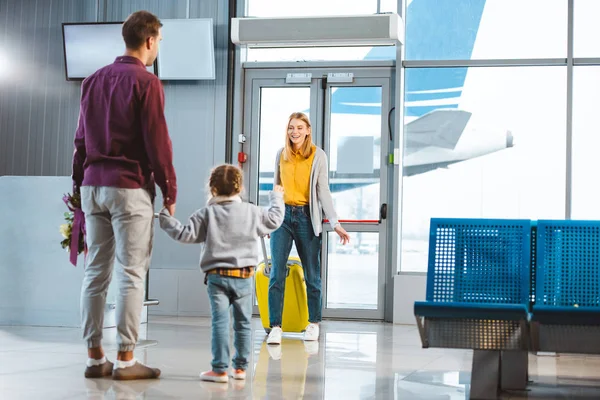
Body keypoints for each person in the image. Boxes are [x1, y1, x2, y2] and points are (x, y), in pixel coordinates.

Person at [72, 10, 176, 380]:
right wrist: (169, 188)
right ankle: (127, 360)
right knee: (131, 274)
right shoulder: (147, 83)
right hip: (129, 187)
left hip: (92, 185)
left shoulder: (92, 81)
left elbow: (80, 141)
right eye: (159, 40)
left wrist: (77, 188)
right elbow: (157, 143)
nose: (158, 47)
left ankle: (94, 356)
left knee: (95, 272)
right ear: (149, 40)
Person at [159, 164, 285, 383]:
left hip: (217, 277)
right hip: (244, 276)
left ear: (212, 188)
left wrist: (165, 219)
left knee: (220, 322)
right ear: (240, 188)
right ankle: (240, 369)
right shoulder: (252, 212)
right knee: (243, 323)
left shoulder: (206, 214)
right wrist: (276, 196)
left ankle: (219, 370)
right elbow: (274, 219)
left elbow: (184, 234)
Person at [266, 112, 350, 345]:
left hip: (306, 218)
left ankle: (313, 323)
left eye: (300, 128)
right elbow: (277, 187)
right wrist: (269, 219)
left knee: (312, 274)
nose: (295, 132)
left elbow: (323, 191)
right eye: (291, 127)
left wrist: (335, 223)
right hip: (282, 218)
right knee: (276, 274)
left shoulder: (317, 155)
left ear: (308, 130)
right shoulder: (281, 154)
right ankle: (275, 327)